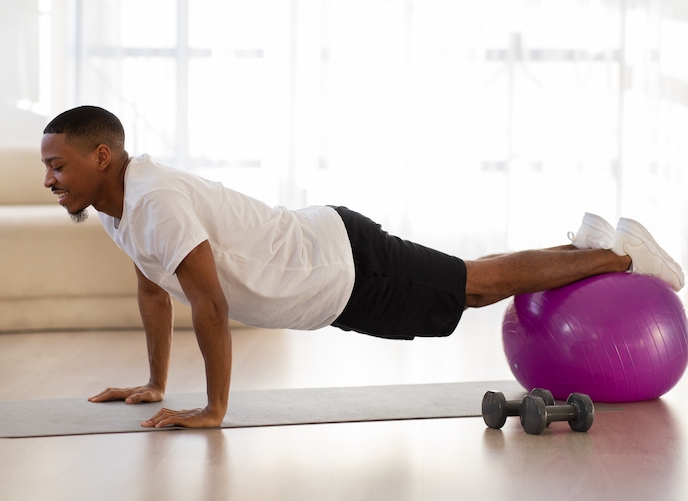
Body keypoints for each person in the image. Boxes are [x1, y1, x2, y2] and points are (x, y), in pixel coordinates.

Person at [41, 105, 684, 429]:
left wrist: (214, 409)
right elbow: (153, 290)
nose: (49, 179)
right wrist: (154, 384)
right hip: (331, 276)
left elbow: (209, 304)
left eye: (58, 165)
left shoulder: (156, 202)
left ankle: (625, 256)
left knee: (476, 288)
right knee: (466, 283)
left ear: (102, 156)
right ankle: (588, 247)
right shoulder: (120, 208)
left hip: (340, 264)